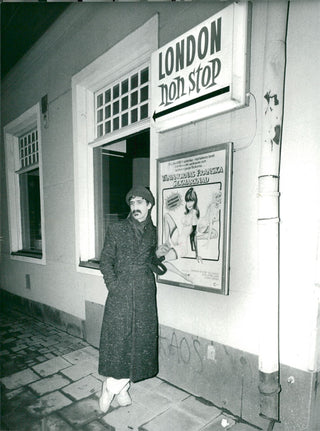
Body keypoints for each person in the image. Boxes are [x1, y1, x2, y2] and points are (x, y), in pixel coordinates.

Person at [98, 185, 167, 413]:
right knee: (119, 340)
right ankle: (111, 387)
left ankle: (122, 386)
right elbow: (106, 260)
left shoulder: (154, 232)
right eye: (132, 203)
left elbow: (149, 261)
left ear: (149, 205)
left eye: (140, 202)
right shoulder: (117, 229)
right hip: (121, 292)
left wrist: (158, 255)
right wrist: (114, 286)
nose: (135, 207)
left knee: (139, 342)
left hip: (145, 292)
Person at [161, 187, 202, 283]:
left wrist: (197, 254)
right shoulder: (188, 213)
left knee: (161, 260)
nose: (189, 204)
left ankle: (184, 276)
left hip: (182, 246)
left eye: (191, 201)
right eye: (187, 201)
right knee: (166, 216)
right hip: (177, 239)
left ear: (195, 201)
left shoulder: (194, 214)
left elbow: (194, 235)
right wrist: (168, 240)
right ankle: (166, 241)